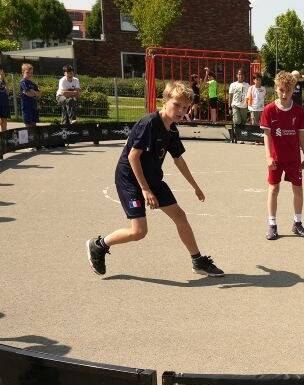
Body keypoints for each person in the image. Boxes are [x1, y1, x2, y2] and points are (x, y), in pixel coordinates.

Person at [86, 81, 224, 278]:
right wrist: (145, 189)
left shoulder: (172, 130)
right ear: (165, 100)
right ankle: (98, 245)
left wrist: (195, 186)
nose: (180, 111)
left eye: (185, 107)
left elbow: (179, 160)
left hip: (153, 178)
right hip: (130, 179)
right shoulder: (149, 123)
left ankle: (197, 261)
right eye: (177, 104)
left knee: (179, 215)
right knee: (139, 231)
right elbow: (133, 157)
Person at [260, 71, 304, 240]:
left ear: (293, 91)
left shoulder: (299, 111)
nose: (284, 94)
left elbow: (302, 135)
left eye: (287, 91)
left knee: (298, 190)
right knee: (273, 189)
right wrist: (268, 156)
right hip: (275, 158)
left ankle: (297, 223)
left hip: (294, 158)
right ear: (276, 89)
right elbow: (267, 135)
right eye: (281, 90)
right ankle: (272, 224)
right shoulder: (269, 110)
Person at [0, 68, 9, 132]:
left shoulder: (4, 82)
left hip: (4, 103)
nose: (2, 75)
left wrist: (6, 83)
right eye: (1, 73)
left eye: (3, 74)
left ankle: (4, 136)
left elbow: (8, 92)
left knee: (4, 121)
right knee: (1, 121)